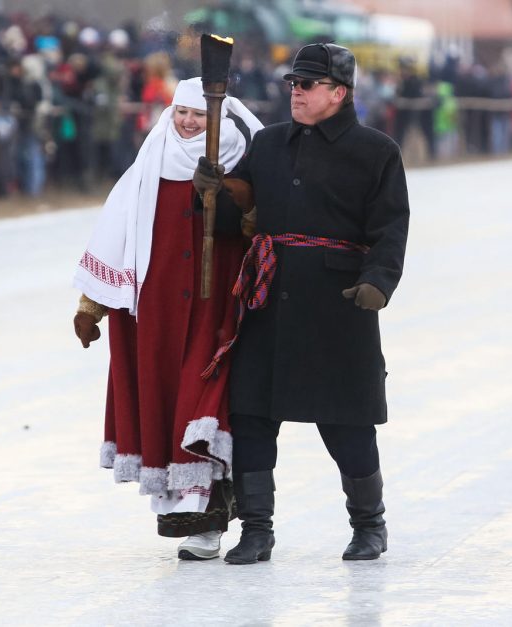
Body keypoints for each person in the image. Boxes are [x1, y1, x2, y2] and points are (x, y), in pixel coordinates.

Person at [193, 43, 410, 564]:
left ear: (339, 92)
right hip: (268, 302)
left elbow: (390, 229)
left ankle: (369, 526)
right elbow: (235, 221)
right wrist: (212, 197)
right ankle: (257, 531)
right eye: (293, 83)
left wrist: (378, 281)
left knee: (347, 422)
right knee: (250, 416)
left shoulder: (376, 151)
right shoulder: (267, 145)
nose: (296, 92)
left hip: (339, 306)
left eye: (307, 85)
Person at [72, 77, 263, 560]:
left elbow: (262, 228)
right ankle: (180, 513)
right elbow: (115, 231)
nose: (188, 121)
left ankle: (209, 522)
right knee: (163, 405)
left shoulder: (245, 159)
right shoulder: (150, 162)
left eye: (199, 114)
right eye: (181, 111)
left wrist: (232, 198)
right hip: (153, 312)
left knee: (202, 407)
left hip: (214, 309)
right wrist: (90, 307)